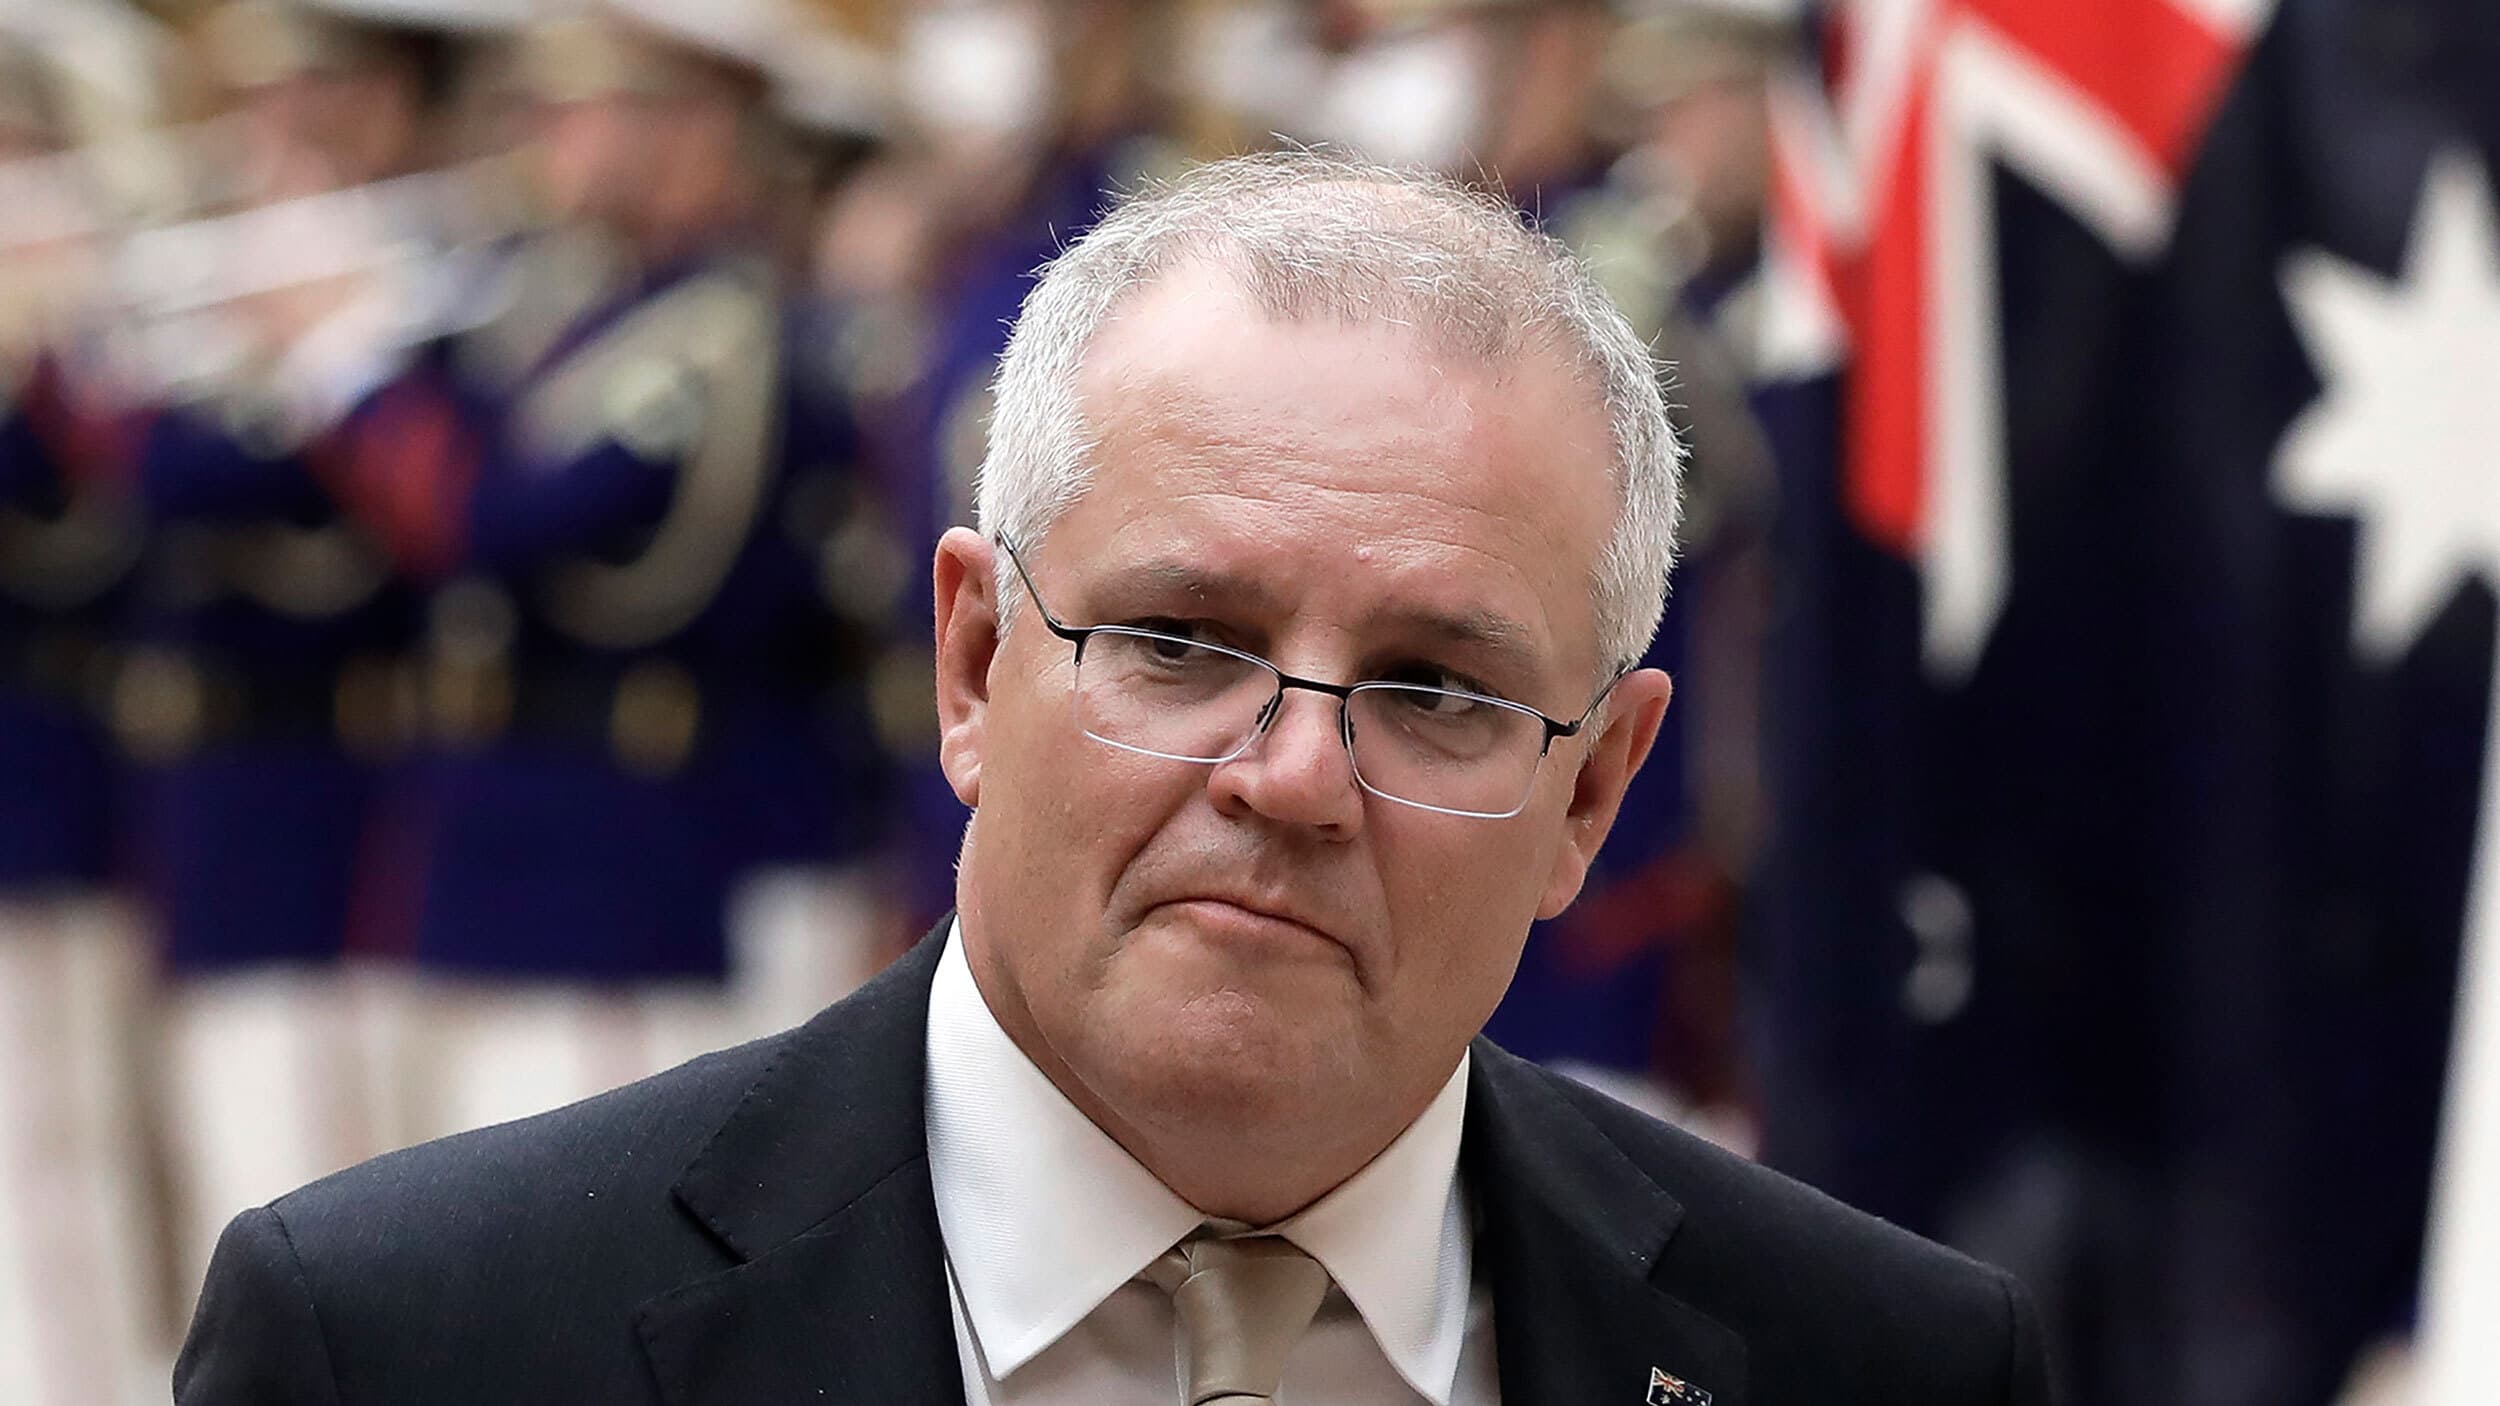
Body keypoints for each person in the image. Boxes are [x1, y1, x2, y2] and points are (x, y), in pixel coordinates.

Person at [177, 151, 2052, 1406]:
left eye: (1435, 689)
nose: (1297, 773)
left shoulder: (1878, 1366)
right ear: (977, 662)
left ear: (1594, 794)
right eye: (1179, 643)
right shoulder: (410, 1345)